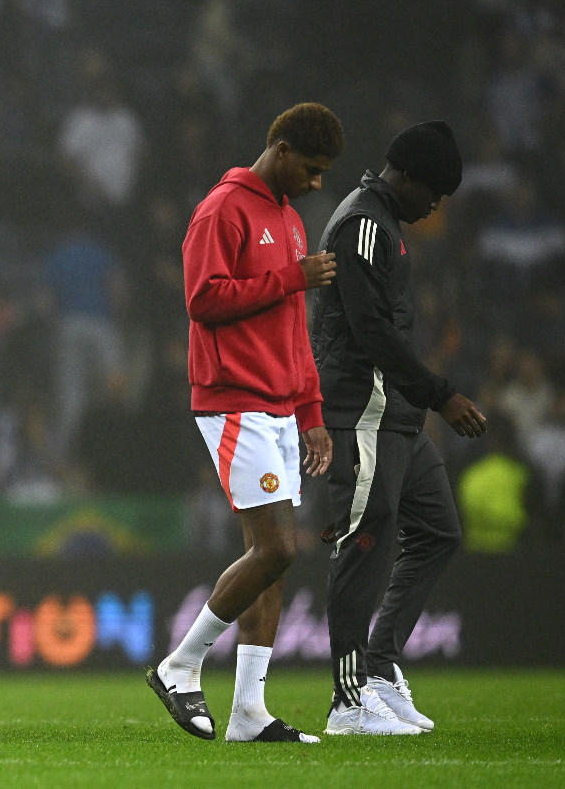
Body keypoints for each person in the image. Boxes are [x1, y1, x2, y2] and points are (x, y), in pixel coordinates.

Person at [145, 103, 343, 744]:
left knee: (277, 563)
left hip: (281, 404)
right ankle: (180, 664)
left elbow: (293, 328)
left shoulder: (288, 219)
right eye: (311, 170)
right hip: (235, 400)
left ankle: (248, 713)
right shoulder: (223, 209)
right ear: (281, 150)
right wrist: (291, 277)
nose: (317, 185)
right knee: (277, 547)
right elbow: (202, 300)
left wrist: (310, 410)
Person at [310, 121, 487, 736]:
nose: (435, 205)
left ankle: (379, 671)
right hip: (360, 408)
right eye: (432, 191)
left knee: (437, 530)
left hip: (395, 413)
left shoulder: (386, 223)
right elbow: (370, 329)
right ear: (404, 175)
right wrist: (442, 394)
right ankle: (347, 700)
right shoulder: (364, 222)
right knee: (365, 537)